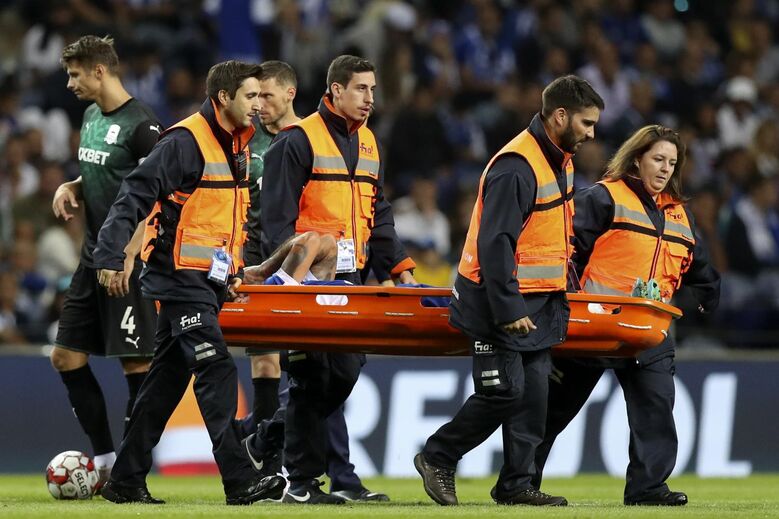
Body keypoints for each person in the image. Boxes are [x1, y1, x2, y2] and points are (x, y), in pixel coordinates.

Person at [91, 60, 285, 505]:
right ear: (223, 98)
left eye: (261, 96)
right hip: (178, 278)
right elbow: (135, 193)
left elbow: (223, 220)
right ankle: (239, 479)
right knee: (216, 368)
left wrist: (232, 271)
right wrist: (110, 254)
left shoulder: (238, 145)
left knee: (165, 383)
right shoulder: (184, 141)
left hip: (205, 281)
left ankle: (125, 479)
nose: (258, 105)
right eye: (251, 96)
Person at [414, 75, 604, 507]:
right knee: (504, 392)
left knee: (535, 397)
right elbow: (495, 243)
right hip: (496, 301)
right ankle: (438, 455)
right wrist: (508, 307)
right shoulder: (517, 165)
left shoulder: (559, 160)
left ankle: (517, 484)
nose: (592, 134)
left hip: (538, 299)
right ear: (560, 116)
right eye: (587, 123)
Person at [253, 54, 415, 504]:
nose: (369, 98)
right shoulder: (297, 141)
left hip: (351, 278)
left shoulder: (369, 143)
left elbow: (377, 212)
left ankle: (269, 437)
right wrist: (293, 280)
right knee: (314, 377)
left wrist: (398, 267)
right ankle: (302, 483)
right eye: (361, 88)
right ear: (336, 90)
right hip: (308, 282)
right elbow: (276, 223)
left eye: (373, 90)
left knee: (342, 371)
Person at [532, 125, 721, 506]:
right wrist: (565, 301)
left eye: (672, 162)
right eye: (658, 159)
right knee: (552, 411)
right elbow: (564, 249)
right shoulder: (604, 197)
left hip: (648, 332)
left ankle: (647, 489)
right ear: (636, 159)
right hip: (594, 327)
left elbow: (699, 268)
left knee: (656, 408)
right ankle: (518, 482)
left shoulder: (680, 215)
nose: (665, 168)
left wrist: (701, 297)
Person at [50, 35, 161, 487]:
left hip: (127, 262)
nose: (70, 83)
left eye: (75, 74)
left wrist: (130, 254)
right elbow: (105, 170)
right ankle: (106, 461)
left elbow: (157, 194)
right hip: (93, 256)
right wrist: (73, 185)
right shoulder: (91, 115)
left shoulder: (143, 125)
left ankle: (131, 475)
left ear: (100, 71)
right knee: (65, 357)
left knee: (136, 366)